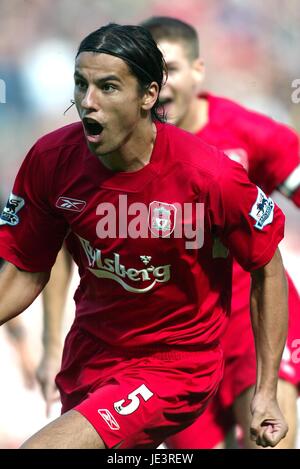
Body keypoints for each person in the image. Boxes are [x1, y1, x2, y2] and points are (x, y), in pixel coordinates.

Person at [0, 23, 288, 449]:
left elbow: (268, 267)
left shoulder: (210, 175)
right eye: (81, 84)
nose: (88, 102)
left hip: (174, 365)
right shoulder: (50, 161)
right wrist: (47, 345)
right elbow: (26, 270)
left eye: (109, 87)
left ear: (149, 95)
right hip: (91, 358)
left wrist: (267, 392)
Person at [138, 16, 300, 449]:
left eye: (169, 68)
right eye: (148, 71)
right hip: (180, 339)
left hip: (255, 321)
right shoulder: (123, 153)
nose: (160, 83)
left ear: (198, 71)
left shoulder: (248, 134)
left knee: (267, 441)